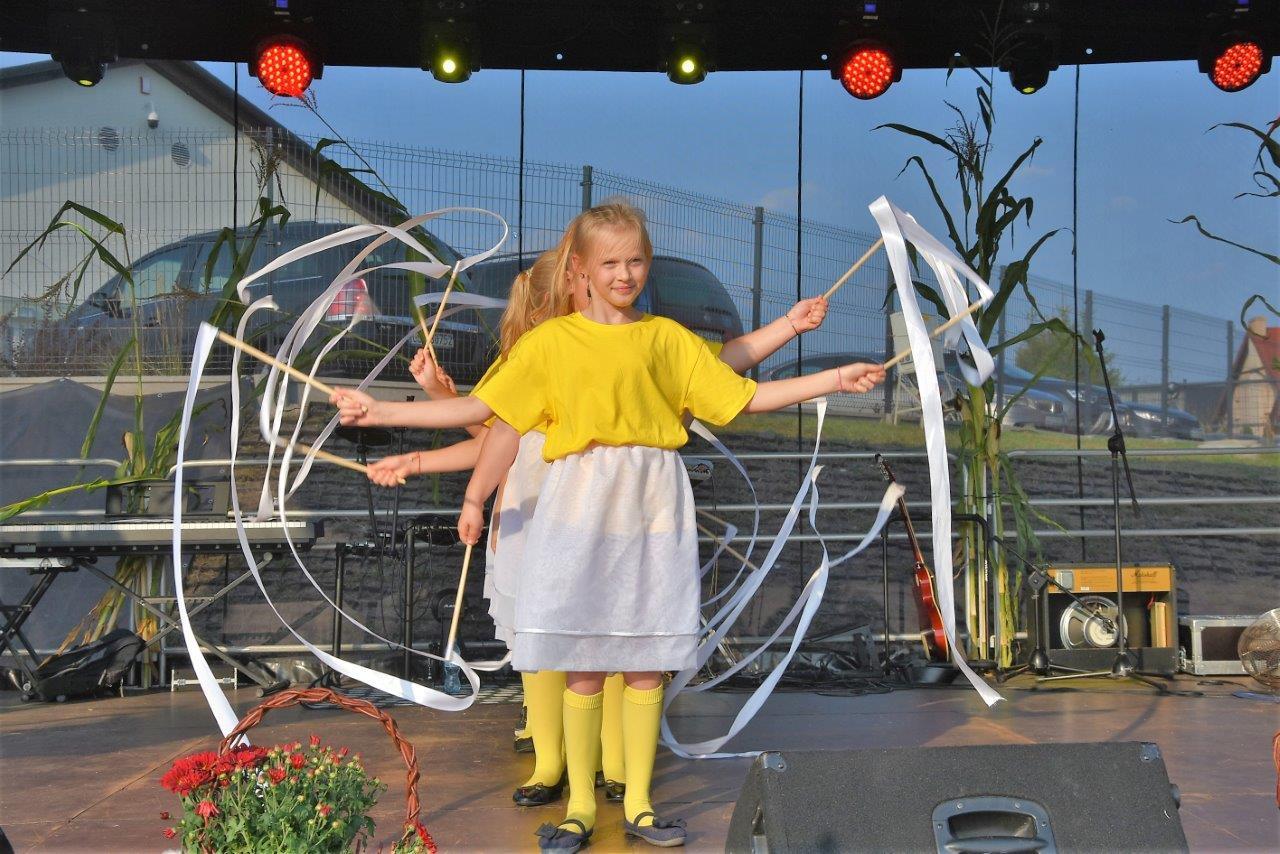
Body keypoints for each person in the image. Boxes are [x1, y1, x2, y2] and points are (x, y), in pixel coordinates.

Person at [334, 202, 883, 851]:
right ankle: (580, 809)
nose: (624, 274)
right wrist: (381, 412)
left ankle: (641, 806)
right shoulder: (549, 345)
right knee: (584, 662)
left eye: (636, 260)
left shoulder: (667, 339)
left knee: (646, 660)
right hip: (578, 507)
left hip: (654, 508)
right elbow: (484, 413)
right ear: (583, 269)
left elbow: (743, 396)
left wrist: (833, 377)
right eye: (611, 262)